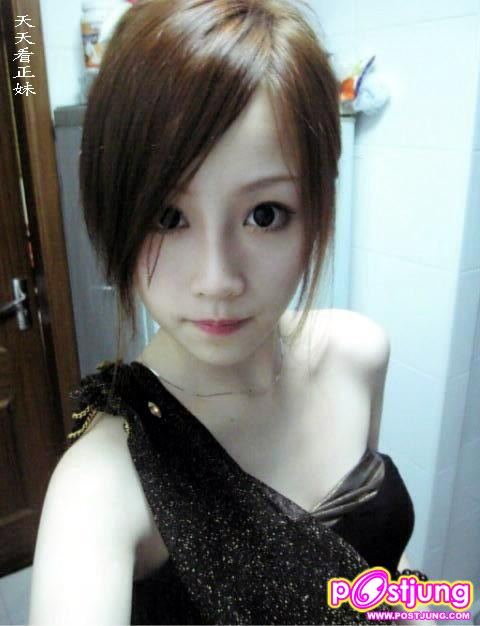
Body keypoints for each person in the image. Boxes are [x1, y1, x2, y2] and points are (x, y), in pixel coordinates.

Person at [28, 1, 426, 624]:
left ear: (317, 209)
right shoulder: (102, 487)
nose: (218, 281)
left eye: (265, 214)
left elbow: (375, 573)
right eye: (168, 217)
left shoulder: (358, 354)